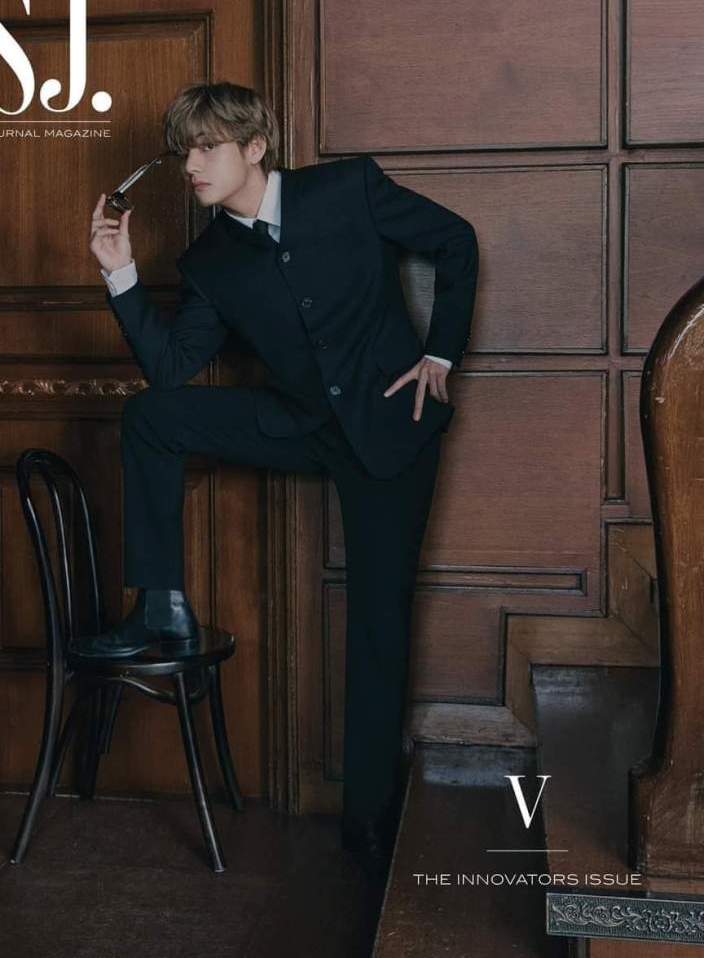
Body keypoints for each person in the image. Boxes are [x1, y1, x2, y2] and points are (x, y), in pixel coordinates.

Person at [74, 81, 478, 872]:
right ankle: (159, 607)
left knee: (378, 625)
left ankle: (368, 823)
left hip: (390, 431)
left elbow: (455, 240)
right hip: (298, 425)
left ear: (255, 147)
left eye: (207, 148)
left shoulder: (347, 189)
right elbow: (170, 369)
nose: (191, 165)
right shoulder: (209, 261)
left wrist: (440, 353)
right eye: (184, 151)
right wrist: (119, 274)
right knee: (151, 416)